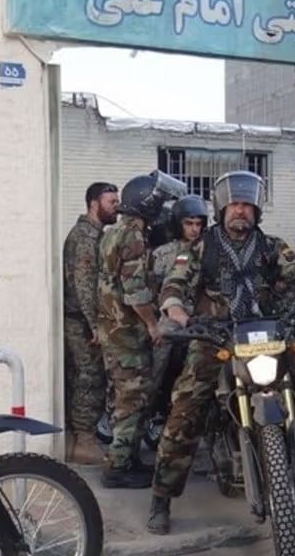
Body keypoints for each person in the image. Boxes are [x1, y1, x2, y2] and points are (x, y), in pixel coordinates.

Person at [148, 170, 295, 535]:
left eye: (247, 204)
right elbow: (176, 282)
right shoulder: (200, 247)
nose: (240, 211)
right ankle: (162, 496)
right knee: (186, 405)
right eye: (234, 203)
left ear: (256, 209)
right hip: (217, 336)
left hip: (267, 332)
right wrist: (175, 309)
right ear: (221, 207)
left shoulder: (271, 245)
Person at [97, 172, 185, 488]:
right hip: (127, 333)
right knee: (132, 399)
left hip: (113, 329)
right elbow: (135, 292)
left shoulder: (112, 232)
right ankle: (118, 467)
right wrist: (152, 325)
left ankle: (126, 458)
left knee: (121, 396)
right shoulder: (132, 236)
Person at [145, 195, 209, 448]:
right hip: (172, 315)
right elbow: (153, 289)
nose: (194, 229)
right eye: (189, 223)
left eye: (198, 223)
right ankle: (152, 412)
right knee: (158, 355)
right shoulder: (163, 253)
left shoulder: (210, 248)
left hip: (203, 316)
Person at [63, 181, 118, 464]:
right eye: (111, 202)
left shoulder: (95, 235)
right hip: (80, 322)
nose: (116, 207)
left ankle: (80, 440)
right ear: (94, 204)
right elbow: (84, 285)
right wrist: (94, 324)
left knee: (85, 378)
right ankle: (83, 441)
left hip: (83, 319)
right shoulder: (85, 238)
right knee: (88, 379)